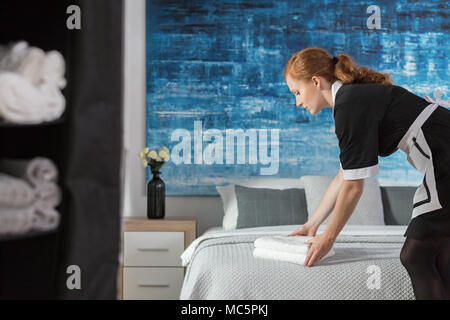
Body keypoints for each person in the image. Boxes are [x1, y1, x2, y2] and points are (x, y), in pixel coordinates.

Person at [284, 47, 450, 300]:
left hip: (446, 159)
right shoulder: (353, 99)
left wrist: (328, 238)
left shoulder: (349, 105)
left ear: (315, 82)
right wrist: (312, 225)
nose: (297, 102)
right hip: (443, 158)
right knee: (439, 256)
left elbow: (354, 186)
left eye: (297, 92)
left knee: (414, 256)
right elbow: (344, 175)